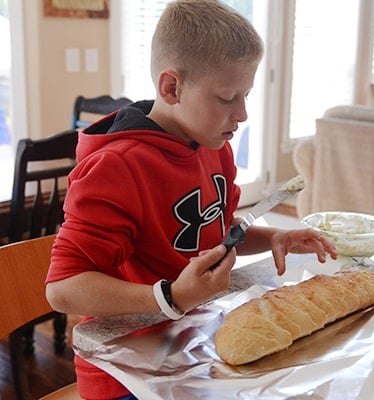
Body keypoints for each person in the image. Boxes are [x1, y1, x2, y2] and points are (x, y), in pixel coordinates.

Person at [45, 1, 338, 399]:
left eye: (246, 95)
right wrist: (169, 297)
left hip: (195, 346)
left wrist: (270, 239)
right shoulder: (117, 168)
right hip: (128, 372)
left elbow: (212, 232)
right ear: (171, 88)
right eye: (227, 97)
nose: (243, 114)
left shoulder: (213, 146)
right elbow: (63, 288)